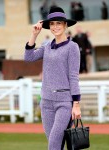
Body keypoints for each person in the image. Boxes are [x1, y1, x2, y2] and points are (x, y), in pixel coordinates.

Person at [24, 6, 81, 150]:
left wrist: (76, 104)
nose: (55, 27)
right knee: (55, 144)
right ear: (49, 26)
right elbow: (28, 57)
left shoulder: (72, 47)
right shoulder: (47, 46)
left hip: (64, 103)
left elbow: (73, 76)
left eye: (59, 23)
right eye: (52, 24)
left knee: (54, 144)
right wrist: (34, 35)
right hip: (46, 103)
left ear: (65, 25)